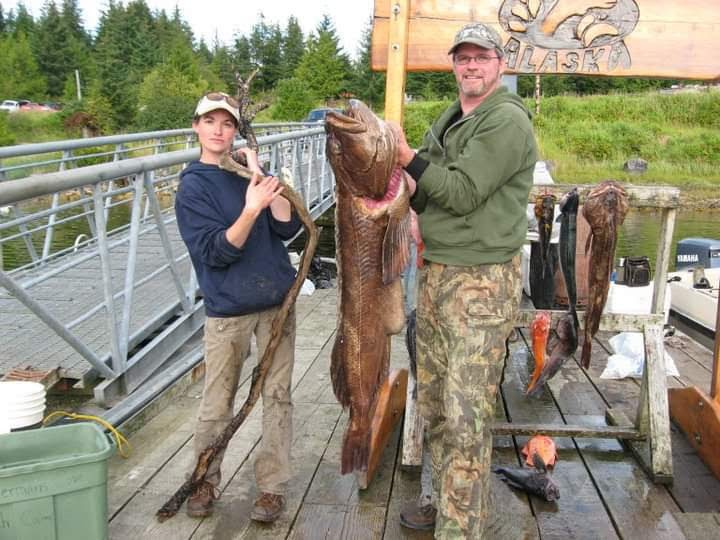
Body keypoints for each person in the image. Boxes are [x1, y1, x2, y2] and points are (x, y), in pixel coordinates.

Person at [392, 23, 538, 538]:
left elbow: (459, 192)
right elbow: (430, 189)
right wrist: (408, 196)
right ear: (453, 64)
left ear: (500, 64)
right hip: (435, 275)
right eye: (462, 58)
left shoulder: (506, 122)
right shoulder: (454, 115)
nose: (470, 66)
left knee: (465, 411)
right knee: (433, 402)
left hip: (480, 283)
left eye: (481, 57)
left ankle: (461, 528)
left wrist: (406, 156)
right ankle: (451, 499)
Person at [174, 92, 301, 523]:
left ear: (235, 131)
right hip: (228, 310)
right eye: (209, 121)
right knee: (217, 402)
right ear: (196, 127)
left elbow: (286, 227)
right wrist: (250, 209)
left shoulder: (248, 174)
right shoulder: (193, 186)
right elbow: (216, 253)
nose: (217, 130)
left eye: (226, 124)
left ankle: (271, 487)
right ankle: (205, 479)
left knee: (278, 397)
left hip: (276, 306)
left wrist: (263, 178)